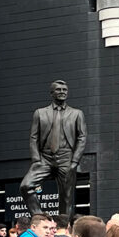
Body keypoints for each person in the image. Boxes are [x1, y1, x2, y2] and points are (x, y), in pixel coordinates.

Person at [20, 80, 87, 216]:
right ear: (52, 93)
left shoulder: (76, 114)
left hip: (66, 157)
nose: (62, 92)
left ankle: (62, 228)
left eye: (64, 90)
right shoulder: (40, 113)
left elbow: (82, 137)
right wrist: (36, 159)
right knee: (26, 186)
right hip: (45, 158)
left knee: (66, 198)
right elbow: (34, 137)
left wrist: (74, 161)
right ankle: (39, 217)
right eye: (59, 90)